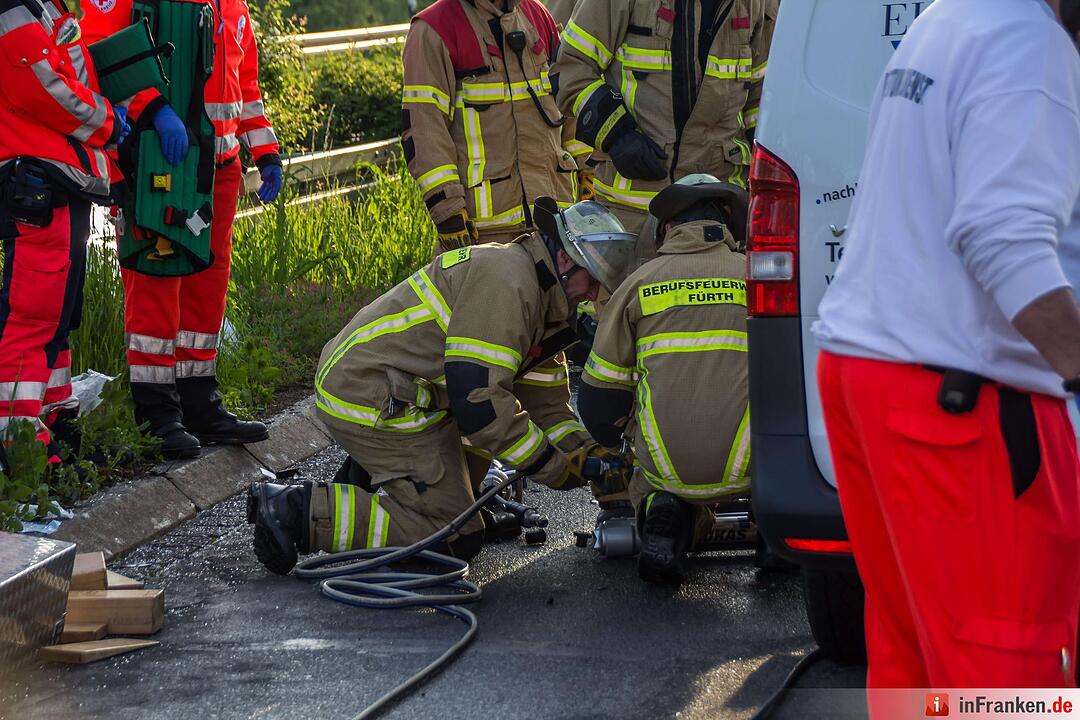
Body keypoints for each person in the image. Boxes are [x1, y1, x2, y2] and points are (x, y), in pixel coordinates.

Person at [813, 0, 1080, 700]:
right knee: (1005, 667)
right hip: (961, 400)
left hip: (869, 373)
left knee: (914, 665)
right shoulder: (1029, 46)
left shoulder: (945, 21)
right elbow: (1003, 236)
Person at [248, 199, 636, 574]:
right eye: (593, 280)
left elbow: (548, 408)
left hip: (403, 393)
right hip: (370, 396)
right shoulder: (509, 283)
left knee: (467, 500)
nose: (594, 295)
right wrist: (552, 467)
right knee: (454, 536)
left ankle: (391, 482)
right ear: (566, 260)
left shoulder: (543, 305)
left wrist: (587, 456)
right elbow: (480, 406)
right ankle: (297, 509)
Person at [80, 0, 283, 459]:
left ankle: (199, 403)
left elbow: (244, 86)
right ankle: (157, 414)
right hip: (159, 157)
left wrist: (264, 148)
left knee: (206, 281)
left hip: (219, 166)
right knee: (155, 278)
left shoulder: (232, 5)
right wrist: (153, 110)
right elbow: (100, 55)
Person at [577, 175, 749, 583]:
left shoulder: (636, 286)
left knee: (657, 482)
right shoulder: (758, 276)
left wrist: (623, 439)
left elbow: (599, 402)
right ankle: (777, 537)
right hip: (754, 467)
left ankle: (663, 512)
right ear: (726, 224)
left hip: (667, 467)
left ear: (667, 228)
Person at [0, 0, 128, 456]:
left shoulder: (43, 8)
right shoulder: (14, 10)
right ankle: (21, 450)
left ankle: (58, 435)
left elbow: (70, 72)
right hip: (38, 181)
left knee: (58, 319)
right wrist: (109, 121)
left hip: (59, 180)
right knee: (32, 317)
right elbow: (42, 87)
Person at [551, 0, 776, 240]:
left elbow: (764, 99)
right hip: (633, 218)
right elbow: (571, 69)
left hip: (719, 215)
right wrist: (615, 135)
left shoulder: (758, 5)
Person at [401, 0, 591, 252]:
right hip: (485, 238)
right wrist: (447, 213)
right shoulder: (435, 29)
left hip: (556, 225)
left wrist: (588, 174)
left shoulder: (539, 17)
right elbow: (425, 130)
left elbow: (569, 110)